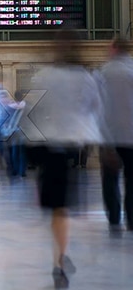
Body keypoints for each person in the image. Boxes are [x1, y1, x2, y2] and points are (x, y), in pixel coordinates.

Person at [26, 28, 102, 288]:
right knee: (63, 209)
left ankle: (59, 259)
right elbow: (94, 109)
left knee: (57, 209)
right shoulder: (85, 77)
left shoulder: (44, 75)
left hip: (49, 146)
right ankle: (60, 257)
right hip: (71, 146)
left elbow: (33, 110)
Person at [97, 37, 133, 232]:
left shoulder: (103, 72)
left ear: (115, 48)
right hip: (131, 137)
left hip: (110, 136)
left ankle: (113, 217)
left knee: (110, 179)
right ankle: (132, 219)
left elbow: (97, 106)